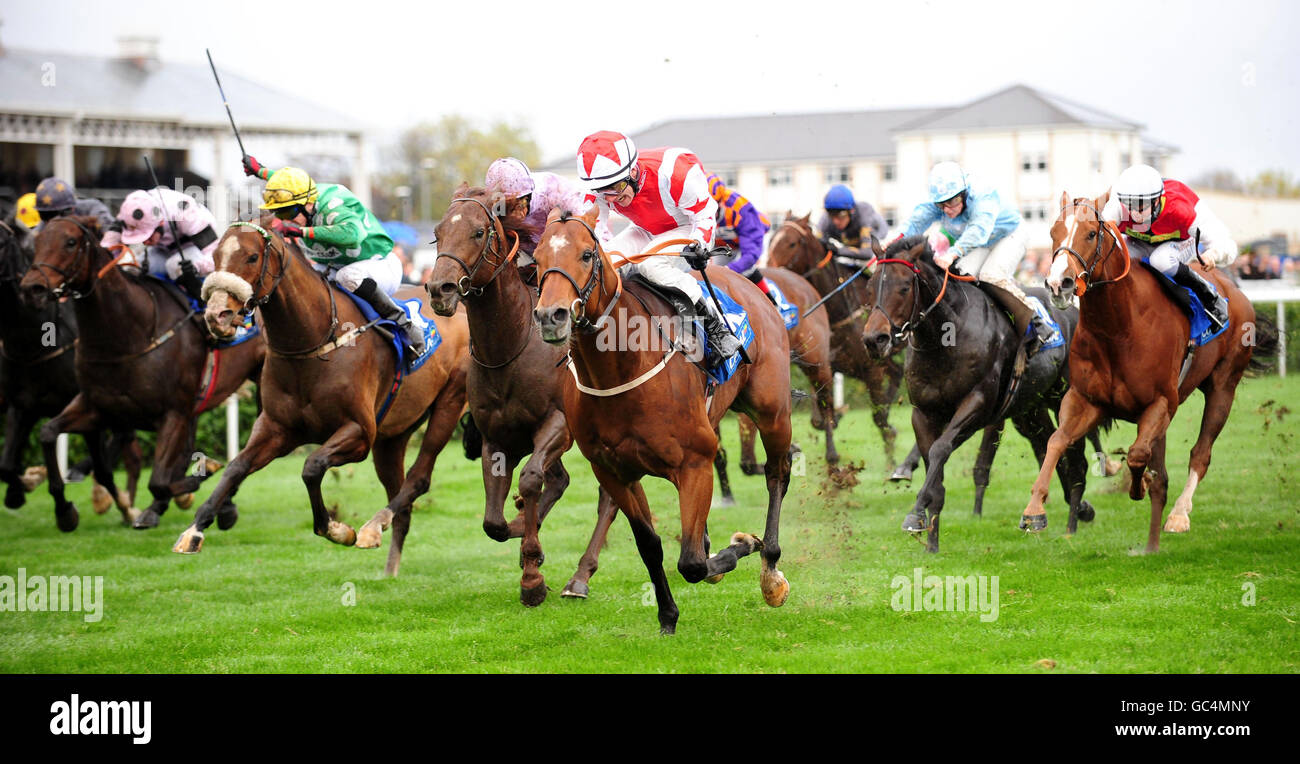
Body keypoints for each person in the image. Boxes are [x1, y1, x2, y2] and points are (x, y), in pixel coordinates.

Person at [575, 131, 741, 360]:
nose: (611, 198)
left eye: (617, 187)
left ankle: (715, 328)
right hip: (645, 229)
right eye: (604, 192)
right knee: (604, 263)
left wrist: (699, 244)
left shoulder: (675, 172)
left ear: (633, 171)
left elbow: (704, 214)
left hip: (686, 226)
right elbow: (595, 230)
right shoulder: (601, 187)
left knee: (651, 265)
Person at [243, 157, 424, 355]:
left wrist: (301, 232)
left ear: (309, 203)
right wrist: (260, 171)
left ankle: (405, 321)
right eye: (280, 213)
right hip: (334, 264)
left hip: (378, 265)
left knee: (347, 277)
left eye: (290, 212)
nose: (287, 220)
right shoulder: (304, 194)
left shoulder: (332, 204)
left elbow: (353, 236)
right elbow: (291, 181)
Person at [902, 161, 1055, 355]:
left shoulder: (982, 195)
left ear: (964, 193)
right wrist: (892, 241)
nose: (947, 209)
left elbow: (979, 231)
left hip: (1011, 234)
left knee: (990, 274)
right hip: (982, 243)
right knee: (959, 276)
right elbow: (914, 223)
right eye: (941, 204)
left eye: (953, 201)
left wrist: (952, 253)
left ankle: (1038, 322)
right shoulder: (940, 202)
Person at [1101, 164, 1236, 329]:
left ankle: (1209, 296)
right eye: (1130, 204)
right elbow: (1098, 236)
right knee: (1112, 256)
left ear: (1157, 200)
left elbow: (1226, 242)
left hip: (1179, 243)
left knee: (1161, 260)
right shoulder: (1115, 204)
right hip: (1140, 242)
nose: (1134, 212)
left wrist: (1213, 254)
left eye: (1141, 205)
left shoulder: (1182, 209)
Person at [484, 157, 609, 280]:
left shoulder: (554, 190)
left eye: (520, 204)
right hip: (536, 257)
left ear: (528, 195)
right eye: (508, 207)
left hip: (574, 247)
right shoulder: (495, 208)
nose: (517, 215)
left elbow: (587, 226)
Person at [100, 187, 216, 301]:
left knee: (174, 266)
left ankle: (203, 304)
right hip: (165, 249)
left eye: (148, 236)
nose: (145, 242)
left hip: (196, 248)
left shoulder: (187, 213)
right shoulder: (129, 212)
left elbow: (216, 255)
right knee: (130, 266)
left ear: (160, 223)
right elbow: (107, 248)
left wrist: (196, 269)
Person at [707, 173, 776, 305]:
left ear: (721, 202)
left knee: (745, 268)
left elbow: (750, 255)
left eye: (712, 206)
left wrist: (729, 270)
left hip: (745, 243)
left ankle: (772, 304)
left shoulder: (740, 208)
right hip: (720, 246)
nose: (707, 212)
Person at [819, 184, 888, 255]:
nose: (836, 221)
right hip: (853, 248)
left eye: (841, 215)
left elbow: (868, 253)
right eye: (831, 215)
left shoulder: (864, 214)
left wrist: (838, 250)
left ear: (851, 211)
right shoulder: (825, 219)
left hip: (879, 245)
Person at [31, 177, 115, 231]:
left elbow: (111, 230)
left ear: (72, 209)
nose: (51, 222)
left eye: (55, 215)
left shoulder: (92, 208)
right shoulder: (41, 229)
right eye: (44, 215)